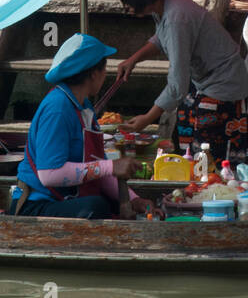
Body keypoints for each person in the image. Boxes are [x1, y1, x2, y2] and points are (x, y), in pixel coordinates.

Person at [112, 0, 248, 157]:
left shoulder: (177, 18)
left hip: (223, 85)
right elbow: (161, 38)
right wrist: (133, 59)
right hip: (204, 82)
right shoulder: (165, 4)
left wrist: (147, 118)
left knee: (207, 156)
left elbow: (177, 84)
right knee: (187, 142)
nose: (126, 6)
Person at [10, 34, 148, 219]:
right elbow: (48, 174)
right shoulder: (57, 109)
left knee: (104, 204)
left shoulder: (83, 105)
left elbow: (101, 169)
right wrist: (110, 166)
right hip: (37, 206)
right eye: (104, 69)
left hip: (66, 199)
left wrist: (134, 200)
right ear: (93, 74)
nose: (105, 75)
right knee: (96, 206)